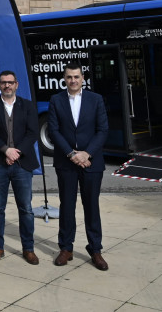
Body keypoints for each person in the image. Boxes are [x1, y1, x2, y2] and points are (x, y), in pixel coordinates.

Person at [48, 63, 110, 270]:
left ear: (83, 78)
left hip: (92, 162)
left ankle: (95, 250)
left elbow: (102, 130)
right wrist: (71, 154)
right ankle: (66, 248)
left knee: (92, 206)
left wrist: (86, 153)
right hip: (66, 162)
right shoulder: (56, 100)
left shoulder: (96, 99)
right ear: (64, 79)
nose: (73, 80)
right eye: (69, 77)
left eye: (76, 77)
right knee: (67, 206)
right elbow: (54, 131)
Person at [0, 70, 40, 265]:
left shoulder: (28, 106)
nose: (7, 86)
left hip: (22, 164)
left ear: (17, 84)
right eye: (3, 83)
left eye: (10, 82)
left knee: (26, 209)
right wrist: (6, 150)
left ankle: (28, 249)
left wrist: (16, 152)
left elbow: (32, 133)